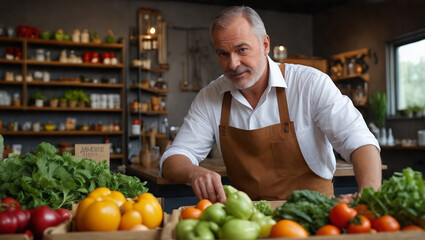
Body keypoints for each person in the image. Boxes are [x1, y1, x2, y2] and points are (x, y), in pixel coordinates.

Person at [160, 6, 382, 203]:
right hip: (250, 223)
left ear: (265, 44)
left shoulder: (310, 84)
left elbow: (359, 141)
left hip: (314, 216)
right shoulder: (210, 97)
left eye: (242, 50)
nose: (233, 64)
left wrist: (369, 196)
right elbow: (173, 158)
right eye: (223, 54)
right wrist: (194, 172)